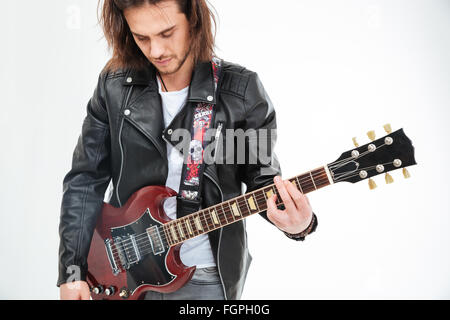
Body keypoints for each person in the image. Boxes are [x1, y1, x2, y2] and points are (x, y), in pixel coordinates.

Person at [58, 0, 318, 300]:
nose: (156, 50)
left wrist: (299, 224)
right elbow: (85, 179)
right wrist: (72, 271)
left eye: (167, 33)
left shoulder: (241, 90)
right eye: (142, 38)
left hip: (204, 279)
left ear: (194, 20)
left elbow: (264, 181)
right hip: (120, 273)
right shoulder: (114, 85)